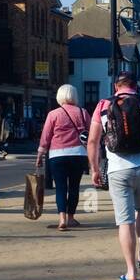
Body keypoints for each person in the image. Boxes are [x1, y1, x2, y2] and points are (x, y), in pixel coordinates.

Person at [87, 72, 140, 280]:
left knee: (125, 222)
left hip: (118, 169)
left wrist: (94, 169)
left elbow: (93, 141)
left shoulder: (103, 105)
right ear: (136, 86)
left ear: (116, 87)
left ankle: (131, 271)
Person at [37, 84, 90, 230]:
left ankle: (62, 219)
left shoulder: (53, 114)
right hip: (78, 154)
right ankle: (71, 217)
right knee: (74, 187)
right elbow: (91, 135)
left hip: (57, 154)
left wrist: (40, 154)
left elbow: (46, 136)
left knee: (60, 187)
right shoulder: (83, 112)